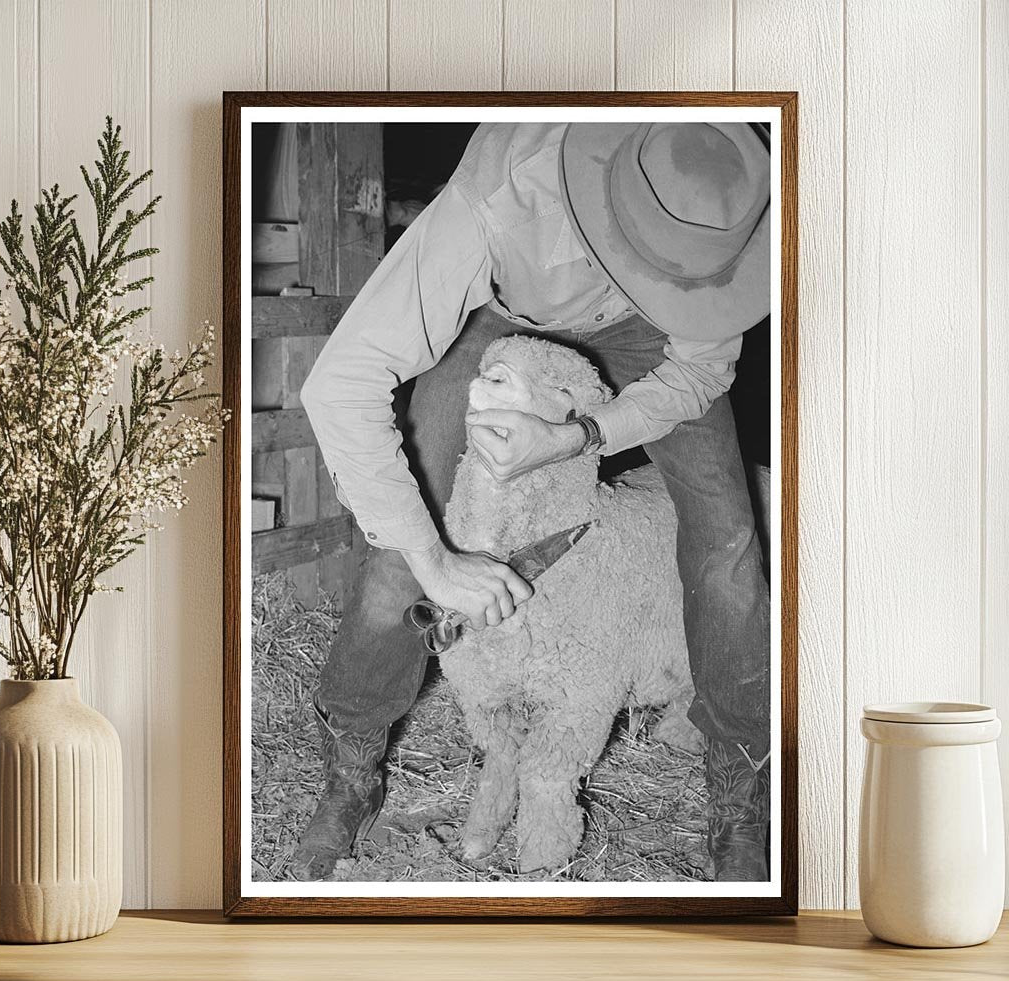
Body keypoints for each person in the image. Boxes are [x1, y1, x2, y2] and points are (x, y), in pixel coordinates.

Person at [293, 121, 772, 882]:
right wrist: (434, 559)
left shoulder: (726, 212)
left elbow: (700, 374)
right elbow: (342, 383)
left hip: (660, 342)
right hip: (505, 313)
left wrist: (583, 434)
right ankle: (353, 768)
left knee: (730, 548)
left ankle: (740, 786)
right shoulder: (497, 200)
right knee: (401, 547)